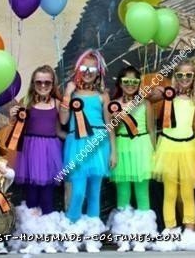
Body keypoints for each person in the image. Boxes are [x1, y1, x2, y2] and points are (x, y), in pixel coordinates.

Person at [59, 49, 116, 253]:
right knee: (77, 192)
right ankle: (71, 236)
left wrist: (113, 151)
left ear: (98, 71)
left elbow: (110, 125)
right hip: (77, 144)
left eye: (92, 68)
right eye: (84, 67)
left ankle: (92, 238)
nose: (88, 71)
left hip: (99, 146)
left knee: (94, 193)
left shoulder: (103, 96)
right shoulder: (72, 94)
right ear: (78, 70)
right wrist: (67, 93)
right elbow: (64, 120)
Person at [153, 59, 195, 251]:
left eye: (188, 75)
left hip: (188, 148)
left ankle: (190, 231)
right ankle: (170, 230)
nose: (184, 79)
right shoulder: (168, 95)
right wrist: (159, 91)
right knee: (170, 193)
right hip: (168, 147)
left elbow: (194, 125)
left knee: (187, 192)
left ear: (194, 77)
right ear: (174, 77)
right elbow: (148, 97)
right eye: (180, 75)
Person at [9, 65, 64, 254]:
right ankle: (31, 239)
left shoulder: (57, 104)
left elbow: (60, 127)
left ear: (52, 83)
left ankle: (48, 239)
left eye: (47, 82)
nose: (43, 85)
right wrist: (12, 117)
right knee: (31, 197)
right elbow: (18, 128)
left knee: (47, 197)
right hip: (31, 152)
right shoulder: (27, 103)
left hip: (50, 151)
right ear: (33, 83)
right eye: (39, 82)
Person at [106, 66, 157, 252]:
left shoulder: (146, 104)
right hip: (122, 147)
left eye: (134, 82)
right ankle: (124, 237)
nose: (130, 85)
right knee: (123, 194)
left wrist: (153, 152)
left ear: (139, 84)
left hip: (142, 147)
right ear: (120, 83)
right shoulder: (113, 105)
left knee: (142, 193)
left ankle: (142, 237)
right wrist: (113, 152)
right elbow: (111, 131)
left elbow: (151, 130)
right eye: (126, 81)